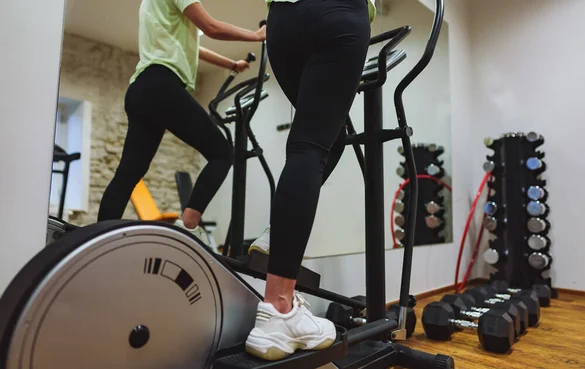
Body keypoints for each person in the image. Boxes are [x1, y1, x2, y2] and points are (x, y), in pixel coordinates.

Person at [244, 0, 376, 361]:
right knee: (310, 147)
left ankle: (275, 238)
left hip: (283, 22)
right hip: (338, 14)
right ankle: (279, 310)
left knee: (329, 141)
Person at [97, 0, 266, 238]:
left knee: (128, 173)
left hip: (141, 88)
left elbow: (193, 47)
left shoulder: (149, 4)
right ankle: (187, 228)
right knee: (222, 153)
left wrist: (231, 64)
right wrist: (257, 35)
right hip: (162, 84)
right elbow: (211, 27)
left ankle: (99, 239)